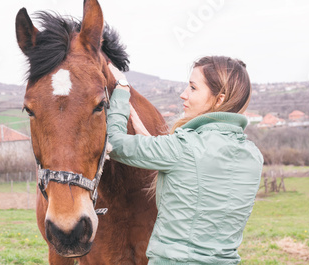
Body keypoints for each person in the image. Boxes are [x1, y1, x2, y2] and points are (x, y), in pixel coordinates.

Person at [107, 56, 263, 264]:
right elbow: (199, 179)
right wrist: (154, 144)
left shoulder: (183, 148)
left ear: (220, 99)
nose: (183, 95)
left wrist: (121, 91)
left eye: (193, 88)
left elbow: (114, 143)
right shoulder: (253, 156)